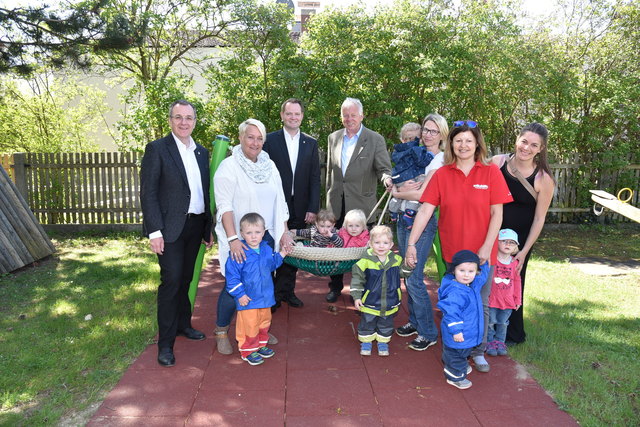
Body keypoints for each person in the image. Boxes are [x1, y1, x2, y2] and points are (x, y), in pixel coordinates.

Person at [405, 120, 513, 372]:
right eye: (458, 140)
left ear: (477, 144)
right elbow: (425, 211)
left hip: (483, 253)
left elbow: (497, 214)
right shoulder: (442, 174)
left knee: (480, 303)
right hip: (453, 254)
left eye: (469, 140)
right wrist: (411, 243)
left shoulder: (490, 173)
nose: (463, 145)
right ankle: (456, 351)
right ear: (451, 143)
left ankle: (478, 350)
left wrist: (487, 247)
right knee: (455, 303)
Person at [140, 100, 214, 367]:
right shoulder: (157, 149)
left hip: (195, 226)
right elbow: (148, 194)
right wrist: (154, 232)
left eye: (189, 118)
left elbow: (204, 193)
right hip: (169, 229)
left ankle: (184, 325)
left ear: (195, 121)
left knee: (186, 279)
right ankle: (165, 344)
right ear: (170, 120)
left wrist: (208, 227)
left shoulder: (201, 152)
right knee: (171, 283)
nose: (184, 122)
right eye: (179, 117)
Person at [213, 118, 294, 355]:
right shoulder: (228, 167)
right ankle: (221, 330)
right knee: (235, 285)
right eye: (250, 137)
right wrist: (233, 240)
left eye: (260, 138)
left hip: (266, 237)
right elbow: (224, 206)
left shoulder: (270, 165)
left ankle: (259, 331)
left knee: (261, 284)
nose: (255, 142)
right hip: (240, 239)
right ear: (240, 137)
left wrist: (284, 232)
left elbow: (280, 202)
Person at [491, 123, 555, 344]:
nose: (526, 147)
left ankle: (513, 333)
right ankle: (484, 328)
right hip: (492, 233)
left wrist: (524, 252)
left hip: (518, 243)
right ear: (517, 140)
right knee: (486, 279)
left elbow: (539, 218)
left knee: (512, 283)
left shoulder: (543, 179)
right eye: (524, 141)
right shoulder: (497, 162)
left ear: (541, 149)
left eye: (533, 145)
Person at [325, 97, 392, 302]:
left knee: (364, 251)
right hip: (337, 203)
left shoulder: (374, 139)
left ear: (362, 116)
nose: (349, 118)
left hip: (363, 208)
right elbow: (329, 172)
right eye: (345, 115)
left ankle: (364, 289)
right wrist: (327, 201)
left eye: (353, 115)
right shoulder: (333, 137)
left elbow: (383, 168)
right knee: (335, 247)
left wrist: (387, 179)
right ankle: (335, 287)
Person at [392, 113, 449, 352]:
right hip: (404, 218)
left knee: (414, 277)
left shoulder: (440, 161)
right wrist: (395, 184)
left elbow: (423, 195)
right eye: (426, 129)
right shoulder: (416, 153)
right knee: (407, 273)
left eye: (433, 131)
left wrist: (396, 192)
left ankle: (428, 332)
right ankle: (415, 321)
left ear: (443, 135)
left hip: (422, 223)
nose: (427, 134)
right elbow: (399, 177)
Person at [263, 98, 320, 311]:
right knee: (270, 248)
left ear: (302, 116)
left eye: (297, 114)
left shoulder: (310, 143)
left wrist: (313, 207)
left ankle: (286, 292)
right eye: (289, 114)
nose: (293, 117)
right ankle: (271, 296)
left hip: (301, 208)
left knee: (292, 248)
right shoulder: (269, 141)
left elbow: (315, 177)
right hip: (273, 207)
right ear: (282, 116)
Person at [225, 213, 288, 366]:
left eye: (257, 232)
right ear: (241, 234)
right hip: (248, 298)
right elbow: (232, 277)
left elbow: (271, 264)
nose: (253, 236)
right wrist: (240, 294)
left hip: (265, 296)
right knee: (249, 325)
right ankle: (247, 350)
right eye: (249, 233)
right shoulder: (239, 252)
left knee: (264, 322)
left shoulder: (266, 249)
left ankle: (260, 345)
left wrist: (282, 254)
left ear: (264, 232)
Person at [350, 226, 411, 357]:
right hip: (370, 300)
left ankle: (383, 342)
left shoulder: (396, 260)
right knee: (367, 322)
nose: (381, 246)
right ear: (370, 244)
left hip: (390, 300)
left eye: (385, 243)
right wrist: (356, 296)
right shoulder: (364, 262)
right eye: (377, 243)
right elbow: (357, 280)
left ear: (391, 244)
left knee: (386, 322)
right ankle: (366, 342)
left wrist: (408, 267)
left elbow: (401, 274)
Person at [437, 250, 491, 389]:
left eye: (471, 271)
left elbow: (482, 277)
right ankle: (454, 376)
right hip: (458, 333)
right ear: (454, 270)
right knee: (456, 354)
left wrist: (485, 263)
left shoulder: (471, 285)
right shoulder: (455, 292)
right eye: (462, 270)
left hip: (468, 332)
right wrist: (456, 331)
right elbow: (451, 313)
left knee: (463, 352)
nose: (466, 275)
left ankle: (459, 365)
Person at [388, 123, 434, 228]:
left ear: (402, 139)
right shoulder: (416, 149)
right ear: (420, 139)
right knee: (419, 185)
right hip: (410, 176)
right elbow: (422, 162)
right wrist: (430, 156)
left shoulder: (396, 150)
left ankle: (393, 210)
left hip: (397, 178)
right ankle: (409, 213)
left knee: (401, 193)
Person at [486, 229, 522, 357]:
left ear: (515, 247)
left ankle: (500, 342)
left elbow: (517, 282)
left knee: (503, 323)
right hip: (492, 298)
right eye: (504, 241)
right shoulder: (491, 260)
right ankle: (489, 342)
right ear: (497, 243)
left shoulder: (515, 263)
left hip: (507, 300)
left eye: (512, 243)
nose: (508, 244)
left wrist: (518, 299)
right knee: (490, 322)